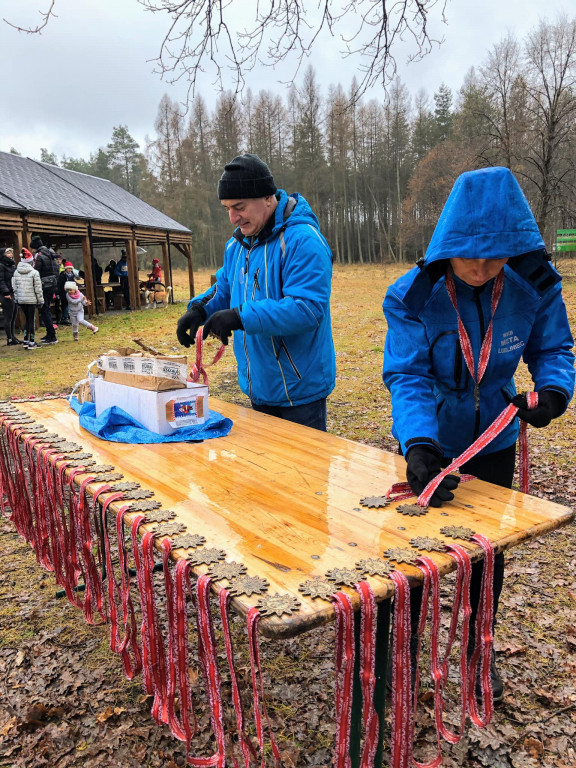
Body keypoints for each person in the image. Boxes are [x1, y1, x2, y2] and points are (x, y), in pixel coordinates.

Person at [382, 166, 575, 701]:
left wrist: (554, 391)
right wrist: (419, 443)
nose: (481, 267)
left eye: (496, 255)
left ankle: (476, 651)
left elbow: (553, 349)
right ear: (448, 243)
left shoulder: (531, 285)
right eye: (470, 253)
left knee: (487, 556)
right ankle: (405, 655)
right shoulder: (413, 295)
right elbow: (408, 374)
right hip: (432, 445)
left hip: (495, 440)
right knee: (417, 555)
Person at [176, 153, 336, 431]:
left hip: (300, 392)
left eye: (239, 207)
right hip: (258, 386)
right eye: (226, 208)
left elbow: (306, 309)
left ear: (267, 198)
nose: (232, 217)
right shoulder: (236, 245)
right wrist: (198, 310)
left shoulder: (303, 241)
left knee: (303, 475)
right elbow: (224, 288)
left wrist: (240, 317)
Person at [12, 248, 43, 350]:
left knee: (26, 320)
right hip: (32, 300)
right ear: (31, 261)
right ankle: (32, 342)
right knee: (31, 320)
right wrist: (40, 300)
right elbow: (38, 288)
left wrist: (16, 299)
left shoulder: (16, 272)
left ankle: (25, 340)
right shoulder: (34, 272)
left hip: (21, 300)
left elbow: (14, 287)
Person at [30, 235, 58, 345]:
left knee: (44, 310)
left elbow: (36, 272)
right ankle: (49, 333)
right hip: (52, 284)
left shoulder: (39, 256)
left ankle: (52, 335)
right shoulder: (50, 254)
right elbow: (56, 270)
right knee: (47, 309)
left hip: (43, 285)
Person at [0, 247, 21, 346]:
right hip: (6, 294)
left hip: (14, 292)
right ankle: (9, 338)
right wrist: (6, 293)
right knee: (8, 317)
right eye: (8, 253)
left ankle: (13, 337)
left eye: (11, 252)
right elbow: (1, 281)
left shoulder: (12, 265)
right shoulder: (1, 265)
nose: (10, 254)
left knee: (13, 316)